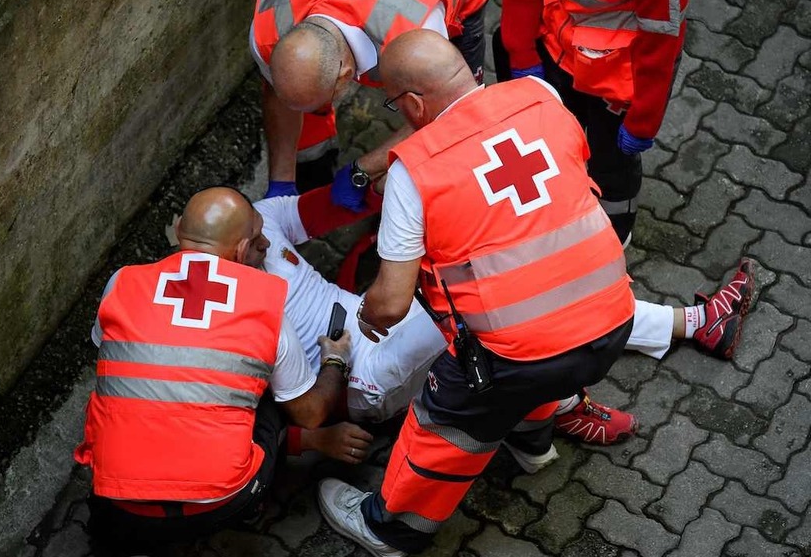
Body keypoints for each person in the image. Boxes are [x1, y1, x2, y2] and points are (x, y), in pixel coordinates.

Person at [314, 29, 705, 557]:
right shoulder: (540, 96)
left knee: (443, 424)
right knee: (542, 356)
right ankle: (532, 445)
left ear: (412, 103)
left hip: (520, 354)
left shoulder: (414, 171)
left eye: (394, 103)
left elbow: (390, 304)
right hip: (612, 318)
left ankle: (390, 531)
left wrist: (366, 313)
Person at [252, 185, 755, 464]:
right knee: (488, 310)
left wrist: (387, 177)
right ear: (232, 252)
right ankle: (555, 406)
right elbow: (290, 413)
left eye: (261, 233)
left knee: (511, 292)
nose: (265, 246)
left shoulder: (258, 220)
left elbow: (339, 201)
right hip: (360, 372)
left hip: (373, 313)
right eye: (253, 246)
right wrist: (316, 435)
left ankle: (696, 323)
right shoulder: (236, 313)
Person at [74, 187, 351, 557]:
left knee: (110, 526)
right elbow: (311, 412)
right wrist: (335, 361)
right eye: (259, 240)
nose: (266, 246)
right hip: (222, 501)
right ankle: (254, 504)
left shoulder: (122, 282)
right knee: (273, 397)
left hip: (123, 499)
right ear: (240, 250)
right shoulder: (265, 307)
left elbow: (109, 351)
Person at [250, 0, 491, 199]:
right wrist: (281, 182)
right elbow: (278, 93)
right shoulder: (267, 29)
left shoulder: (414, 33)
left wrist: (365, 169)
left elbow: (446, 114)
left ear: (345, 76)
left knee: (461, 129)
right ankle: (315, 164)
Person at [495, 0, 691, 245]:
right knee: (546, 148)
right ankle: (551, 215)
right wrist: (521, 49)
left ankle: (613, 237)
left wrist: (643, 120)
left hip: (616, 82)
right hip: (557, 52)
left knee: (612, 166)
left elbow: (661, 39)